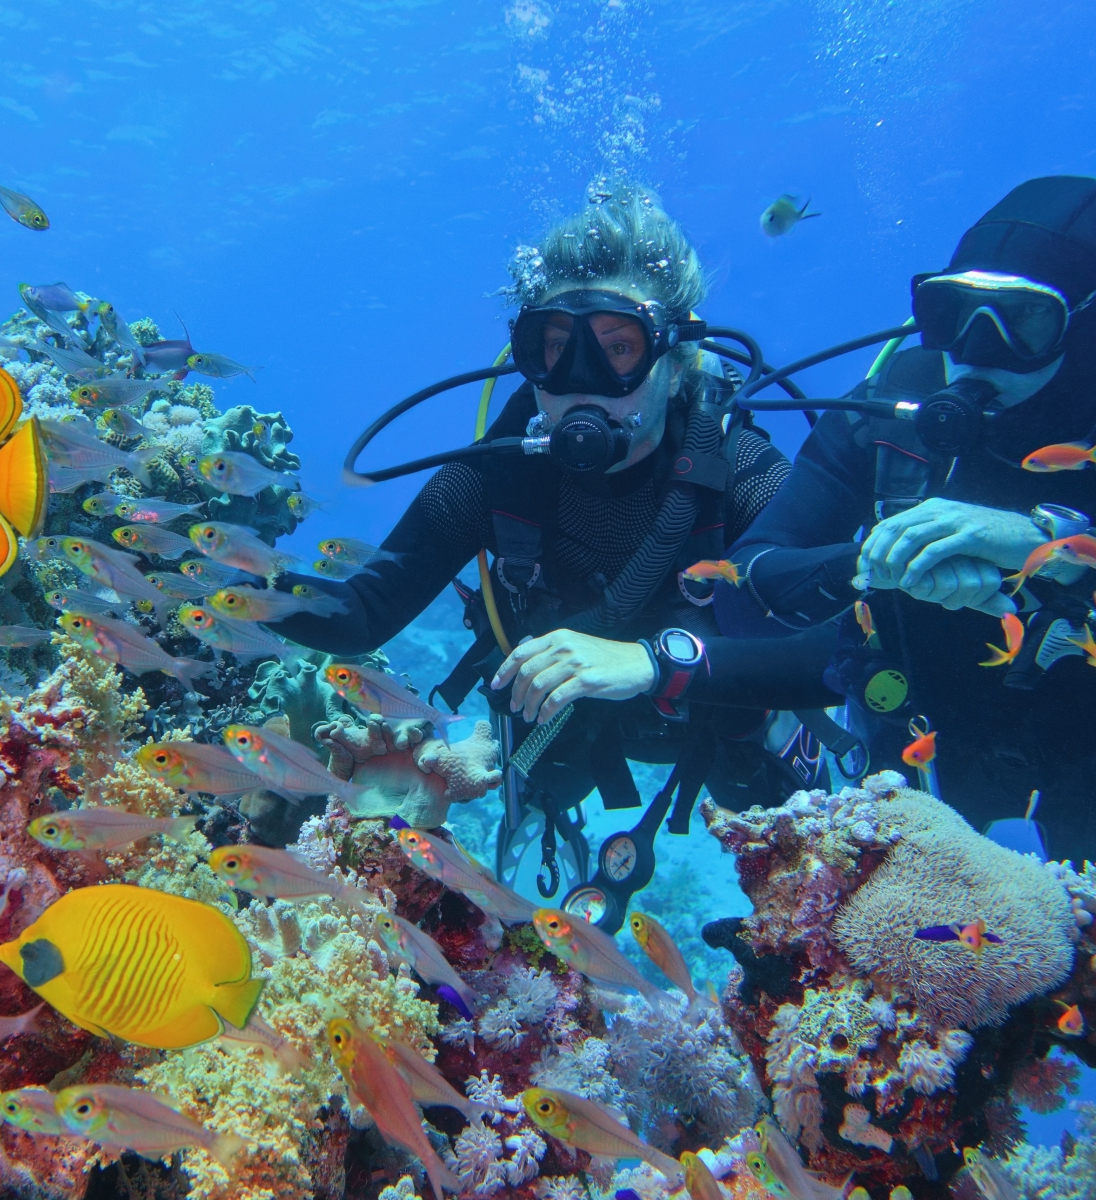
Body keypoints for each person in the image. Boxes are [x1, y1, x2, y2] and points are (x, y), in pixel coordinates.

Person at [722, 176, 1096, 867]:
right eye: (953, 312)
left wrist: (1065, 551)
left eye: (1026, 320)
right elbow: (739, 592)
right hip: (924, 742)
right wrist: (873, 559)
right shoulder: (891, 411)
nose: (976, 350)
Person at [275, 189, 841, 925]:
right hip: (561, 715)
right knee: (536, 785)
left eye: (618, 351)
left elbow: (844, 643)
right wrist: (227, 577)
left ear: (674, 358)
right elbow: (359, 614)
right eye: (552, 349)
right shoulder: (492, 474)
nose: (579, 384)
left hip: (711, 707)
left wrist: (657, 662)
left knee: (779, 817)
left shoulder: (744, 474)